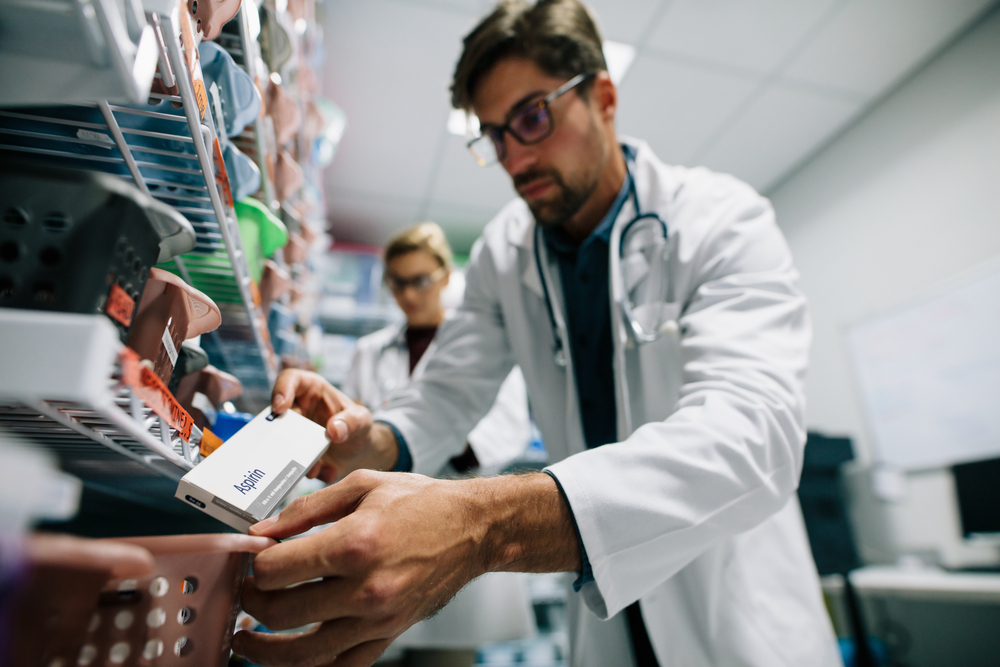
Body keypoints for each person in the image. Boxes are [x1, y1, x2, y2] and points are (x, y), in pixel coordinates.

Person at [233, 1, 843, 666]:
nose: (514, 158)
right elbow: (446, 393)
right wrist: (364, 437)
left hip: (736, 617)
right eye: (495, 136)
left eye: (532, 118)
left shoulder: (721, 221)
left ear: (603, 97)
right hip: (608, 620)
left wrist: (484, 526)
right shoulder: (505, 252)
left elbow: (754, 436)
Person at [342, 222, 535, 666]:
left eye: (421, 280)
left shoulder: (486, 350)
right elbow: (357, 431)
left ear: (446, 276)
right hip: (385, 518)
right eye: (398, 282)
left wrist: (413, 437)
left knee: (447, 652)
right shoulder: (369, 351)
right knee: (368, 643)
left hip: (457, 513)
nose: (409, 294)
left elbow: (506, 429)